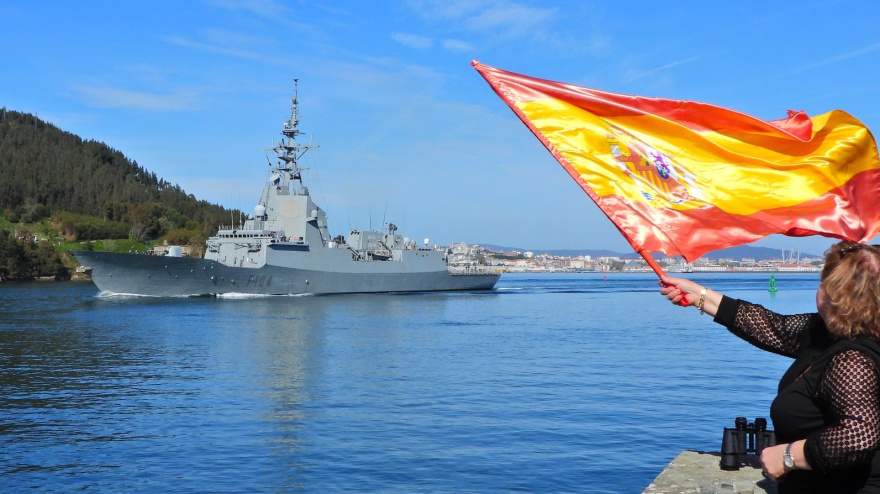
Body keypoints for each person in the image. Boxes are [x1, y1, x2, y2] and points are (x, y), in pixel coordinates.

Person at [660, 240, 880, 493]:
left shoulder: (852, 357)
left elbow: (858, 436)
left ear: (837, 293)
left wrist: (788, 456)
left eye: (822, 282)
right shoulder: (828, 334)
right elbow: (773, 327)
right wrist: (699, 295)